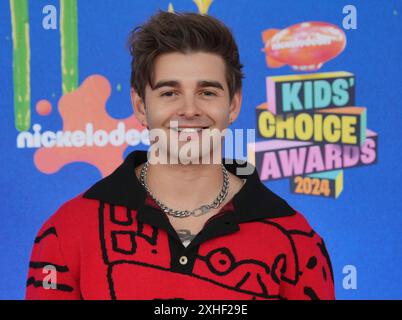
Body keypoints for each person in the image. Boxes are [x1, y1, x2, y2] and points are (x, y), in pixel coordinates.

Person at [25, 10, 335, 300]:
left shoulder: (298, 242)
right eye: (169, 93)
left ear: (234, 105)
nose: (189, 109)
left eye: (207, 92)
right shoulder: (68, 231)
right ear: (140, 106)